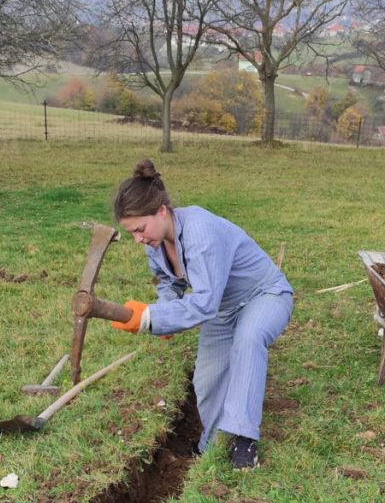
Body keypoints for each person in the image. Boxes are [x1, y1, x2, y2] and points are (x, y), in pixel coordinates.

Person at [111, 159, 293, 470]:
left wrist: (150, 318)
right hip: (223, 308)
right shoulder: (155, 244)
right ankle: (212, 441)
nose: (138, 239)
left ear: (162, 211)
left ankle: (244, 442)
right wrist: (165, 312)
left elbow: (205, 303)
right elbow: (170, 283)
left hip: (264, 295)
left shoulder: (201, 233)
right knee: (207, 378)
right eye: (132, 233)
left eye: (140, 229)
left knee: (248, 341)